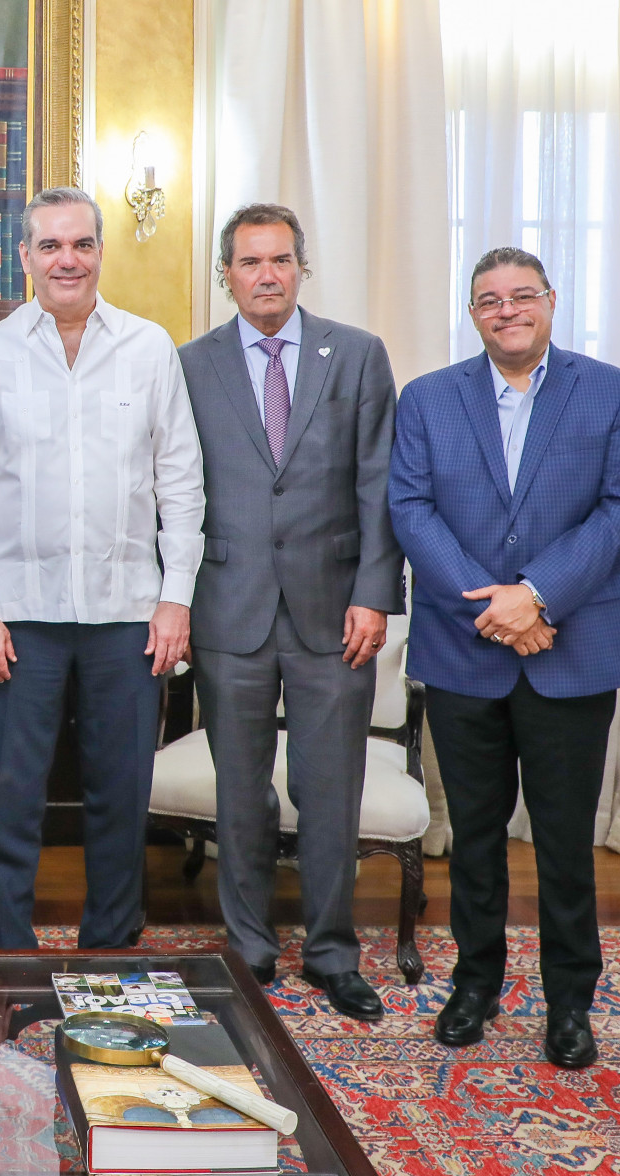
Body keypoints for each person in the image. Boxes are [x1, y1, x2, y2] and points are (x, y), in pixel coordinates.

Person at [390, 246, 620, 1069]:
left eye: (521, 295)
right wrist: (496, 608)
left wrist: (536, 597)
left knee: (564, 840)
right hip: (463, 649)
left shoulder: (611, 391)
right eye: (488, 300)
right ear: (472, 313)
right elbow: (411, 509)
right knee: (473, 837)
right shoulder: (428, 398)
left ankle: (570, 1002)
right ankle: (474, 985)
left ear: (550, 300)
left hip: (572, 648)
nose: (506, 310)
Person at [0, 187, 205, 950]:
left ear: (100, 252)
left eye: (82, 244)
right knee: (15, 794)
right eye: (51, 246)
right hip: (19, 616)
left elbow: (181, 484)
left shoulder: (149, 348)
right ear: (25, 258)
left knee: (120, 793)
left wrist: (176, 599)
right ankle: (11, 950)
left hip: (129, 613)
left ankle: (111, 947)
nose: (68, 259)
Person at [178, 204, 402, 1016]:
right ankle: (250, 948)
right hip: (227, 609)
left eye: (279, 260)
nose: (266, 275)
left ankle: (333, 953)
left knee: (329, 789)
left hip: (334, 612)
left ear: (302, 267)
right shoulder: (190, 365)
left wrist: (375, 593)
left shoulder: (358, 355)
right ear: (226, 276)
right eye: (249, 262)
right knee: (240, 793)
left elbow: (381, 483)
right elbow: (174, 488)